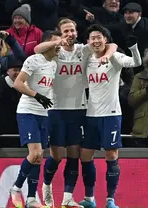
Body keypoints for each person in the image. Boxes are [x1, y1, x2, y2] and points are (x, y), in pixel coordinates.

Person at [33, 18, 118, 207]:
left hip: (79, 110)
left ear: (77, 33)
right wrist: (57, 42)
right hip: (56, 110)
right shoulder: (55, 51)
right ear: (60, 34)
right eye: (66, 31)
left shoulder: (83, 49)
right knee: (56, 156)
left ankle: (67, 197)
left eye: (72, 30)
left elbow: (112, 44)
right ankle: (46, 187)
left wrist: (107, 55)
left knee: (74, 155)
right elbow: (36, 50)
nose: (70, 34)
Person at [79, 24, 141, 208]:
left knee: (111, 154)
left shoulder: (114, 57)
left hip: (112, 114)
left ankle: (110, 200)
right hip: (91, 115)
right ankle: (89, 198)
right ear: (88, 41)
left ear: (105, 39)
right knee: (85, 156)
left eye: (99, 37)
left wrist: (133, 48)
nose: (96, 40)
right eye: (92, 38)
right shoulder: (86, 58)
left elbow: (135, 63)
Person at [10, 30, 61, 208]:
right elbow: (18, 83)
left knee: (39, 158)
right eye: (56, 43)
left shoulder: (54, 63)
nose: (59, 47)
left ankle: (31, 198)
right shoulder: (33, 60)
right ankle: (16, 188)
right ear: (48, 43)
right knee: (35, 154)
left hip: (43, 113)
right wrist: (36, 95)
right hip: (27, 111)